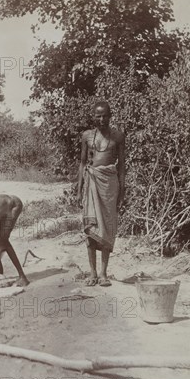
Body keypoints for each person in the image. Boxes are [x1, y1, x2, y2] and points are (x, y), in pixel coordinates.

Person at [77, 101, 125, 287]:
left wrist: (122, 189)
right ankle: (92, 273)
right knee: (90, 228)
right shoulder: (87, 136)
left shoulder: (118, 137)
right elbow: (82, 163)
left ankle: (104, 274)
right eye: (98, 116)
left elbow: (122, 165)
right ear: (93, 117)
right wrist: (79, 188)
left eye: (105, 115)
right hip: (91, 184)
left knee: (106, 228)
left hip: (110, 187)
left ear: (110, 115)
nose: (102, 119)